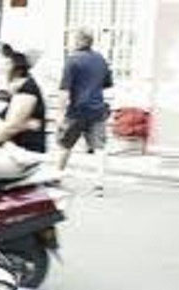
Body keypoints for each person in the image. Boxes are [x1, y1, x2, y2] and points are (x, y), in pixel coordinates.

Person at [56, 27, 114, 189]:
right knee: (100, 147)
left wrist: (60, 113)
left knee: (65, 145)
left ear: (79, 41)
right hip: (97, 110)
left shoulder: (72, 60)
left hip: (76, 110)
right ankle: (99, 182)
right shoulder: (101, 59)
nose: (71, 42)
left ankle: (56, 177)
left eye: (73, 39)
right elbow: (107, 84)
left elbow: (64, 90)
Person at [0, 43, 47, 153]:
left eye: (7, 60)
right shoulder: (13, 89)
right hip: (6, 147)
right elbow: (9, 125)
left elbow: (11, 128)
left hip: (21, 151)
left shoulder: (26, 90)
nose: (2, 65)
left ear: (17, 65)